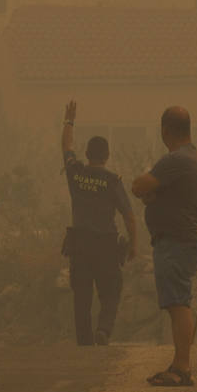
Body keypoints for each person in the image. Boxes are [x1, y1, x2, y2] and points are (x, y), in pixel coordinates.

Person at [131, 106, 197, 387]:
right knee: (177, 302)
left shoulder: (175, 160)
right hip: (179, 240)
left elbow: (139, 186)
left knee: (178, 304)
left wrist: (149, 191)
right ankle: (178, 363)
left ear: (165, 130)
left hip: (177, 242)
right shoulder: (190, 157)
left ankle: (183, 366)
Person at [60, 100, 138, 346]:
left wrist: (69, 120)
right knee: (111, 291)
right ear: (107, 156)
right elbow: (128, 214)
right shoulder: (113, 180)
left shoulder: (76, 172)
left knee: (81, 296)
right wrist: (134, 243)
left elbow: (66, 146)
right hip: (105, 244)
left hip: (80, 243)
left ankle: (84, 341)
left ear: (87, 154)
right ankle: (103, 329)